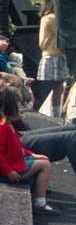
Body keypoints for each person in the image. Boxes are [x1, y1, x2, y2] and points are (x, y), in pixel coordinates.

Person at [0, 87, 59, 215]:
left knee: (43, 159)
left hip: (14, 163)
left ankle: (38, 191)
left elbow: (17, 147)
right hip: (8, 170)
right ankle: (40, 203)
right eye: (18, 106)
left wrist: (31, 154)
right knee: (45, 165)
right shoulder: (3, 127)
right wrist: (8, 171)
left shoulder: (7, 124)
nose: (20, 110)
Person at [36, 0, 69, 117]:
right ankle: (55, 116)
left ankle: (51, 114)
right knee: (58, 89)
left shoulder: (45, 17)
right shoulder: (54, 18)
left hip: (47, 55)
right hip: (56, 55)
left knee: (53, 89)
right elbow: (62, 38)